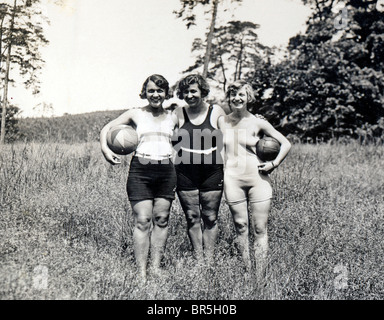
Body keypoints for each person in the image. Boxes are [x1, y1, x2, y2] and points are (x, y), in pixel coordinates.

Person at [100, 74, 178, 282]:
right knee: (143, 221)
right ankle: (141, 273)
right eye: (151, 90)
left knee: (161, 220)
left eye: (160, 90)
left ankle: (155, 268)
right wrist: (106, 150)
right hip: (141, 170)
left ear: (166, 93)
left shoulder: (174, 116)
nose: (155, 94)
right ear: (145, 92)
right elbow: (107, 128)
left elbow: (197, 122)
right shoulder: (135, 113)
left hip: (166, 171)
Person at [218, 80, 291, 278]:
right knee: (241, 226)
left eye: (241, 94)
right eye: (233, 94)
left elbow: (286, 143)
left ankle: (260, 277)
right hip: (232, 178)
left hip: (258, 178)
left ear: (249, 96)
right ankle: (247, 273)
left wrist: (273, 164)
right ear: (229, 97)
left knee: (259, 228)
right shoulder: (222, 121)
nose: (237, 98)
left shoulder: (258, 122)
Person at [172, 74, 226, 262]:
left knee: (210, 217)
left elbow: (230, 133)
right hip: (185, 172)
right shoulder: (179, 113)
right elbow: (163, 130)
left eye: (193, 90)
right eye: (185, 91)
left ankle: (209, 262)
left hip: (211, 171)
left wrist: (257, 120)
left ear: (202, 91)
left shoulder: (216, 111)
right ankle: (199, 261)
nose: (189, 95)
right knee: (192, 217)